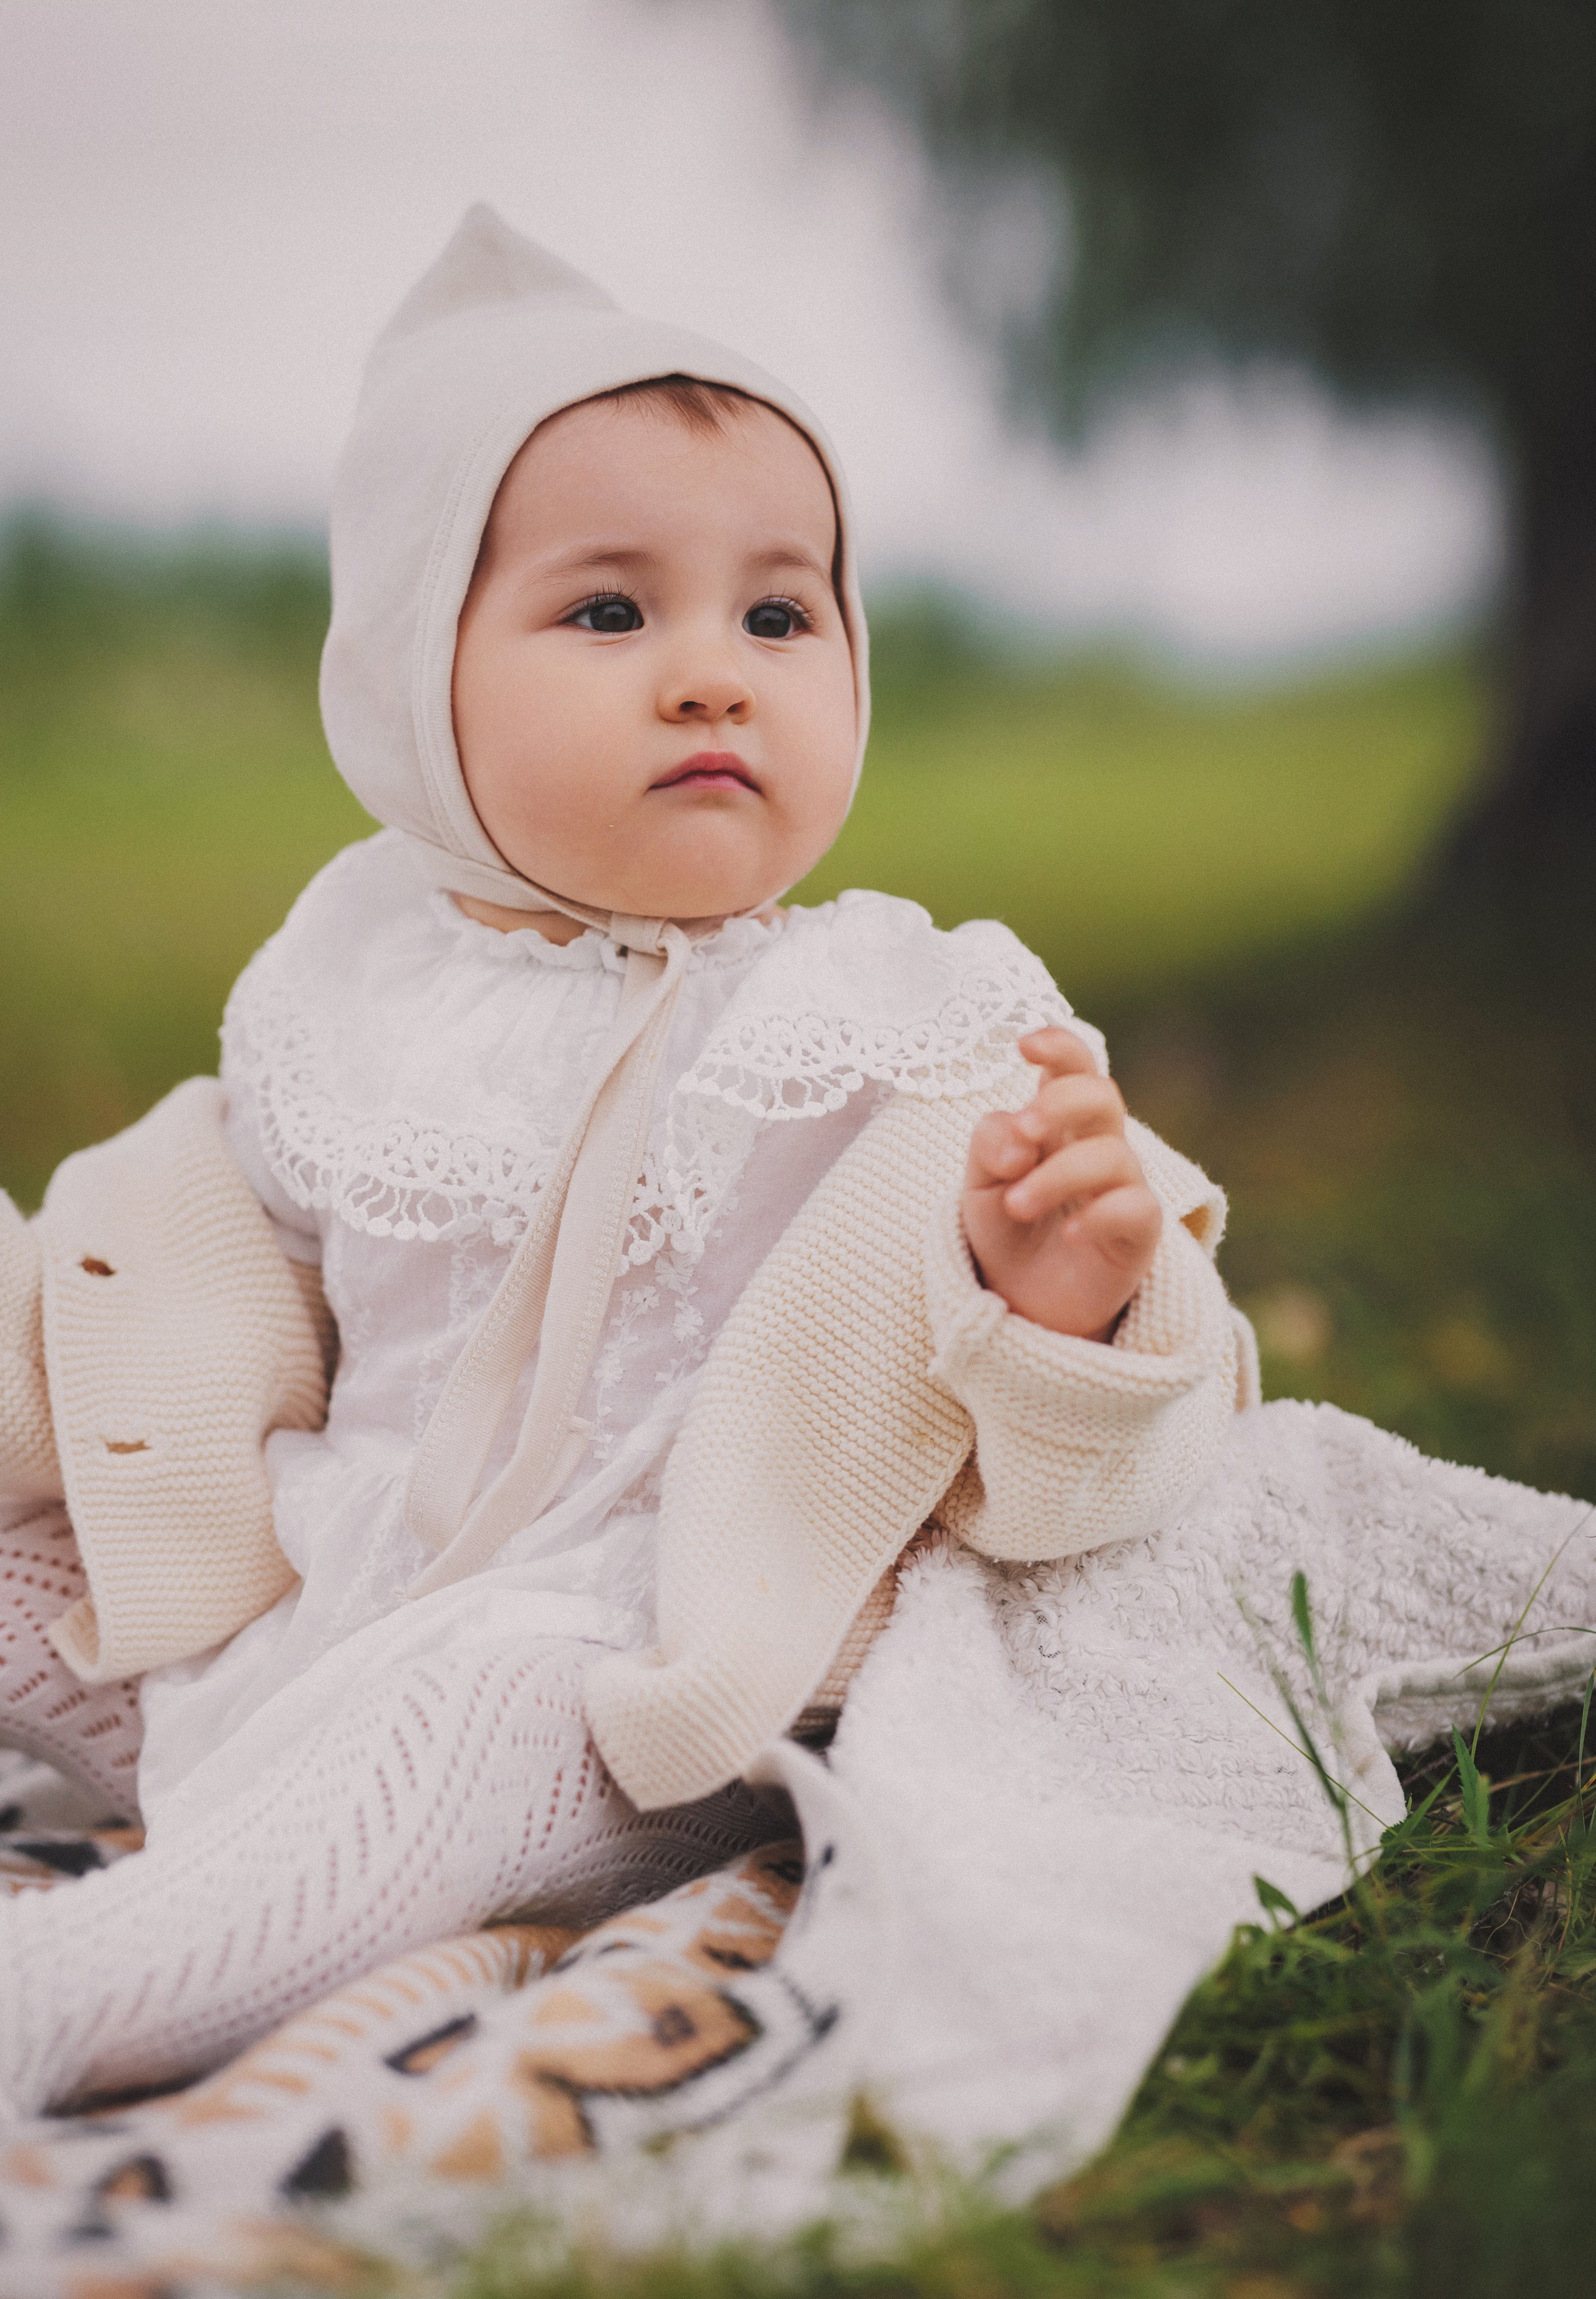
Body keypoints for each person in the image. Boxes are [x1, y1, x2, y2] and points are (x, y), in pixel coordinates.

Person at [0, 208, 1244, 2119]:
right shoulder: (353, 987)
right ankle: (232, 1822)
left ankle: (67, 1989)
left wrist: (1061, 1298)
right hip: (311, 1608)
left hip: (648, 1674)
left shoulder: (901, 1018)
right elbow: (191, 1290)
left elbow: (1126, 1454)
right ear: (414, 680)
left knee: (460, 1720)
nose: (712, 676)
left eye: (779, 616)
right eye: (610, 613)